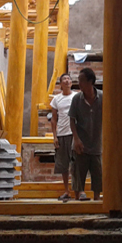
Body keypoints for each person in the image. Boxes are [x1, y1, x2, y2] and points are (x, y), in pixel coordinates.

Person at [67, 67, 102, 201]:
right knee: (78, 176)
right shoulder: (77, 99)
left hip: (96, 144)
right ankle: (78, 200)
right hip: (80, 144)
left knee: (98, 176)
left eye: (82, 80)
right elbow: (72, 119)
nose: (79, 83)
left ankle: (97, 200)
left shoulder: (102, 97)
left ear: (90, 81)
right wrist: (76, 139)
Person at [49, 73, 76, 202]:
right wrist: (54, 136)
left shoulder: (76, 97)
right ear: (60, 84)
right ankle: (67, 191)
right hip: (62, 133)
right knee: (63, 164)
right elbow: (54, 119)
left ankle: (78, 190)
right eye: (64, 79)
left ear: (71, 82)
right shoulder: (56, 99)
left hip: (74, 134)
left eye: (68, 79)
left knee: (76, 163)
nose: (66, 80)